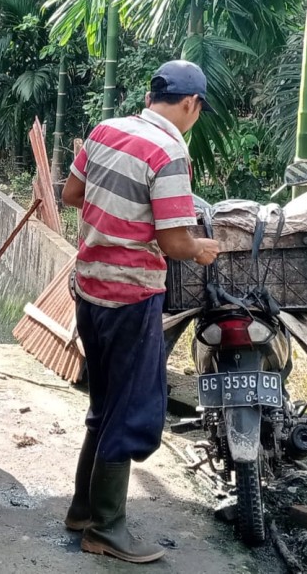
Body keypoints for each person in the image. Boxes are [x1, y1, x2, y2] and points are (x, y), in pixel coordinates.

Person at [61, 60, 220, 563]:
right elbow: (174, 242)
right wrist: (199, 249)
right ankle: (106, 528)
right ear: (191, 104)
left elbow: (70, 194)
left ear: (151, 96)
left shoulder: (105, 129)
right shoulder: (169, 151)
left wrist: (115, 217)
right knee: (130, 410)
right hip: (131, 296)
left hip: (89, 288)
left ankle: (82, 509)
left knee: (104, 404)